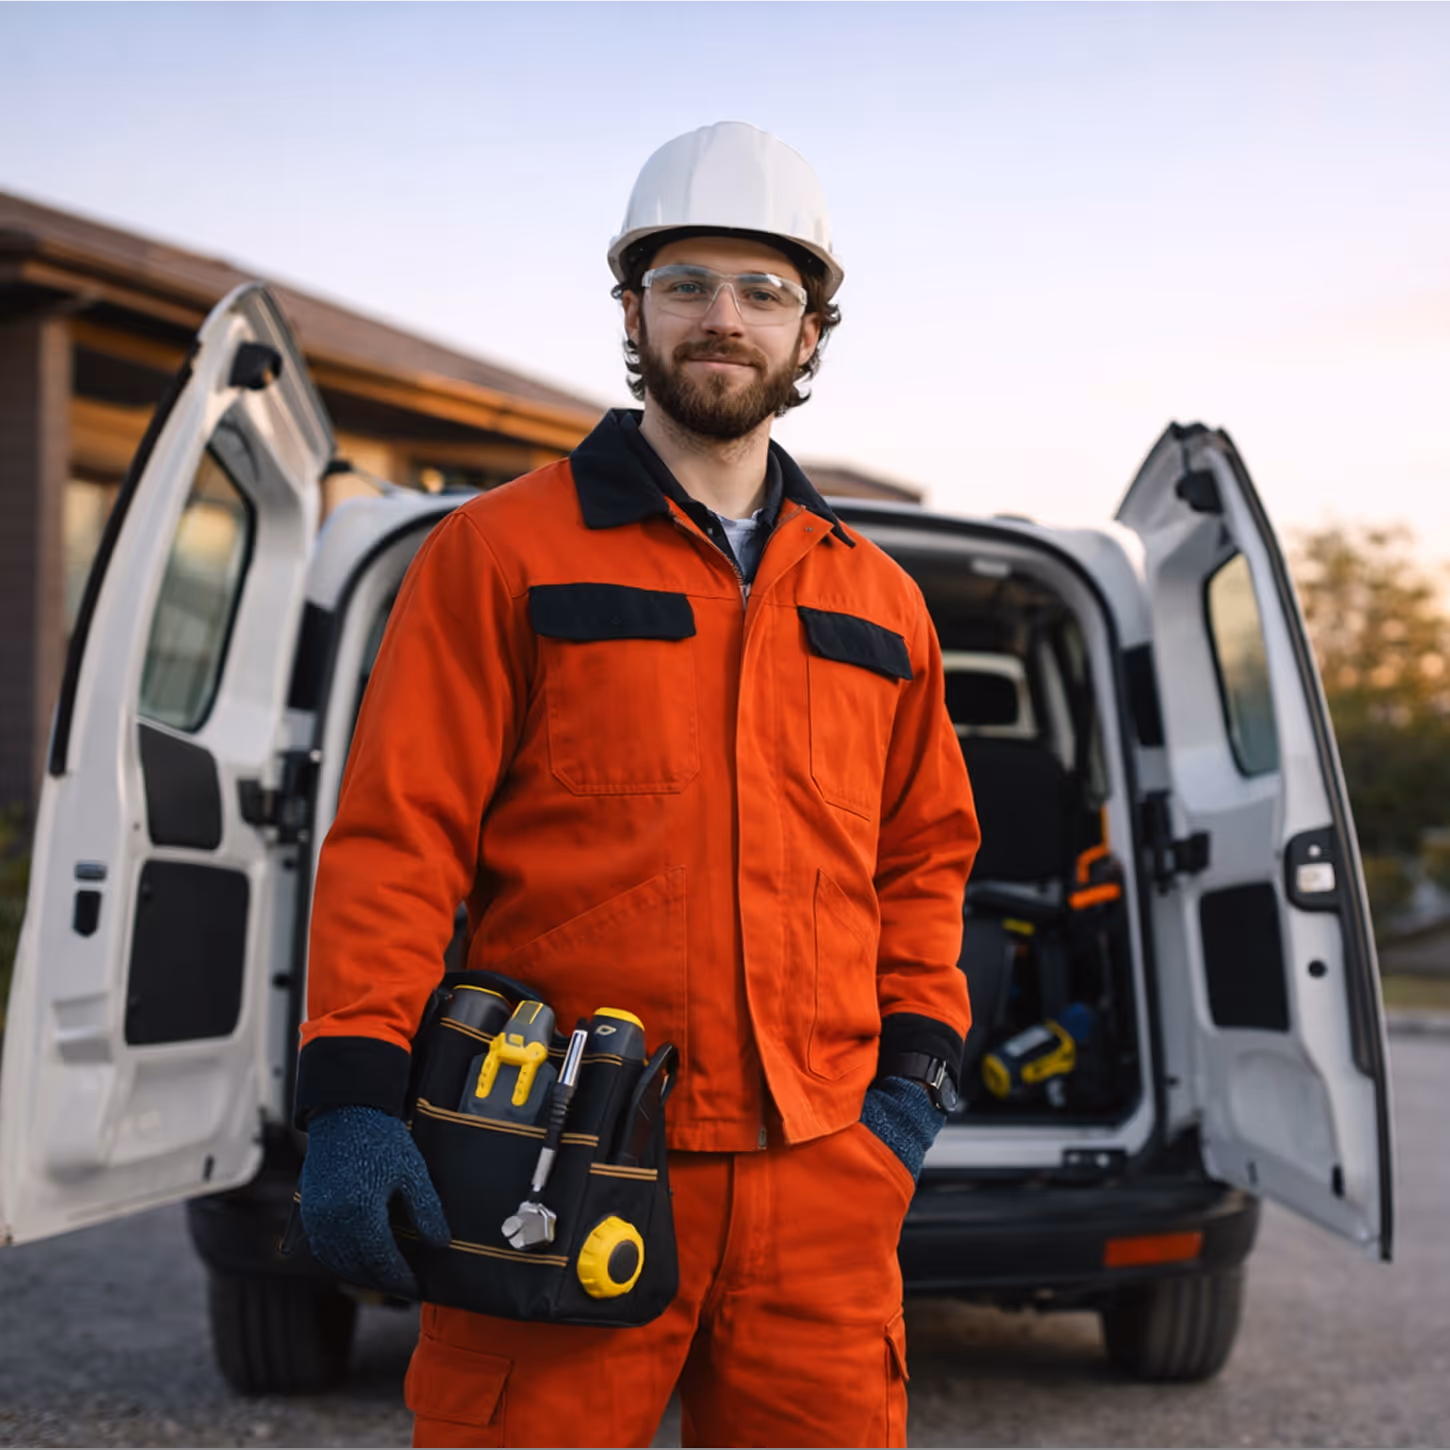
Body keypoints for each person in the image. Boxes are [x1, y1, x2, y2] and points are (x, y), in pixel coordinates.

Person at [295, 121, 979, 1448]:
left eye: (764, 291)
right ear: (632, 309)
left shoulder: (878, 598)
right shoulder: (498, 551)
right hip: (552, 1147)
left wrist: (909, 1090)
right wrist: (353, 1099)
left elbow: (923, 858)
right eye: (687, 284)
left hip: (820, 1173)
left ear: (810, 332)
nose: (723, 318)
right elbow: (396, 842)